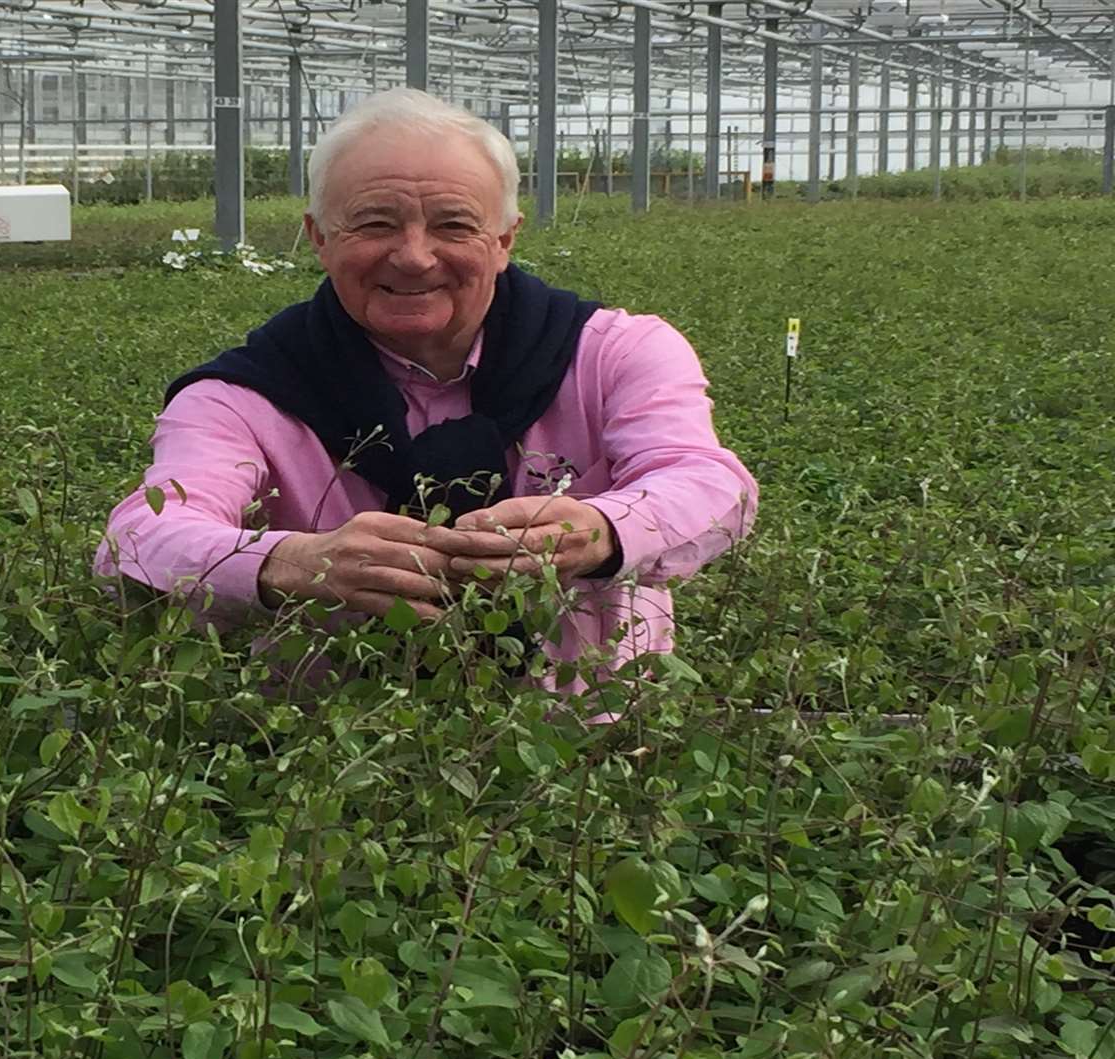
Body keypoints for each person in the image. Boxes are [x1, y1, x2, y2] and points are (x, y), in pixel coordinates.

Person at [95, 88, 756, 691]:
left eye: (453, 225)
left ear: (503, 240)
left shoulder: (616, 353)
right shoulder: (242, 395)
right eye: (375, 224)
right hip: (324, 757)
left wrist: (602, 529)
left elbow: (709, 484)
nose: (414, 256)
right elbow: (140, 537)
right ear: (319, 239)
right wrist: (294, 563)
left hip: (595, 745)